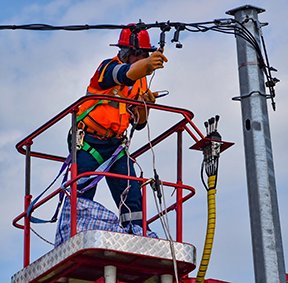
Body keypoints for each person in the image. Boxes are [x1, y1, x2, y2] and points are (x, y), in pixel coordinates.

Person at [55, 25, 168, 245]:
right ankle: (74, 236)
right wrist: (145, 65)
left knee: (132, 195)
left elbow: (139, 124)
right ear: (127, 52)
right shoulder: (106, 68)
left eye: (145, 55)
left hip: (116, 146)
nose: (143, 58)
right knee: (82, 193)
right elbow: (122, 76)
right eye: (140, 54)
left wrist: (144, 106)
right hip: (89, 142)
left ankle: (137, 236)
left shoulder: (141, 82)